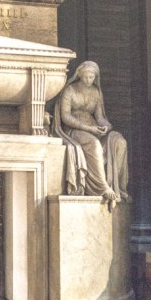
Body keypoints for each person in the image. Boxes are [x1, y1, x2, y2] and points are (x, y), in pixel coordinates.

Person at [53, 61, 128, 205]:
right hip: (74, 129)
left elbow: (99, 117)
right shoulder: (70, 90)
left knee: (119, 141)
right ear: (79, 75)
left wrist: (106, 127)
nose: (89, 80)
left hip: (94, 128)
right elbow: (65, 117)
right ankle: (102, 187)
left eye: (92, 77)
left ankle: (119, 188)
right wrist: (88, 129)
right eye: (86, 77)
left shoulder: (96, 91)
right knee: (93, 144)